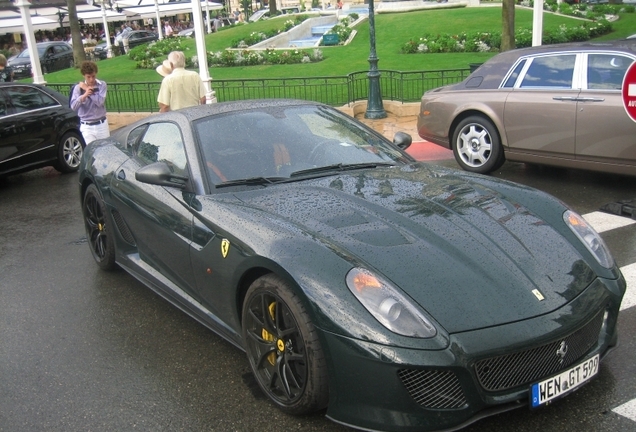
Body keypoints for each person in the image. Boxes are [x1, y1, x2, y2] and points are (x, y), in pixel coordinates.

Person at [70, 61, 110, 144]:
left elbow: (100, 102)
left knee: (107, 150)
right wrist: (84, 96)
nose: (91, 79)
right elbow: (73, 106)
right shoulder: (78, 88)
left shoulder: (102, 85)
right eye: (88, 77)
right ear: (83, 75)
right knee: (93, 152)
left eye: (93, 76)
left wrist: (88, 89)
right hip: (87, 126)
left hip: (101, 124)